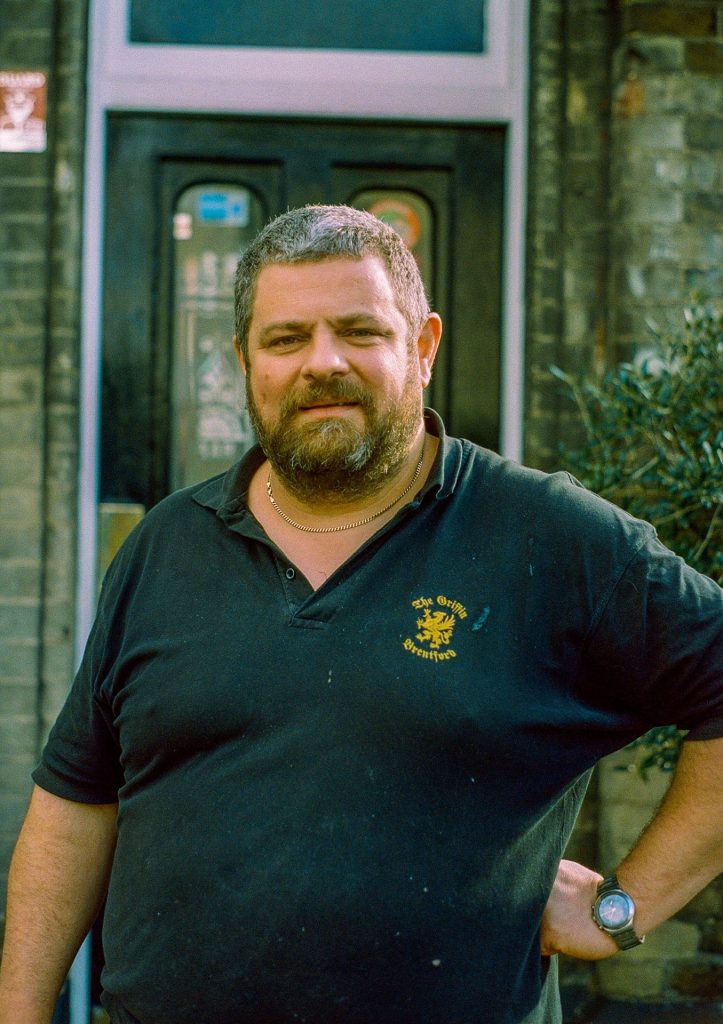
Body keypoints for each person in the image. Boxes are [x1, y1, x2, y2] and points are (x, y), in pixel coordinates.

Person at [0, 205, 721, 1024]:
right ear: (243, 361)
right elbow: (76, 801)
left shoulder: (550, 539)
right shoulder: (167, 544)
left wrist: (621, 909)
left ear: (423, 347)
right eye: (285, 339)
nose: (322, 362)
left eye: (359, 331)